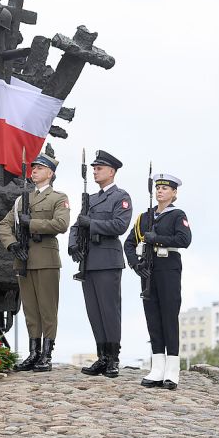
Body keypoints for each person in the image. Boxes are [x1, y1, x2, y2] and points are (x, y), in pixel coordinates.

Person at [0, 153, 70, 372]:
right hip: (24, 259)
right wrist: (11, 245)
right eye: (33, 167)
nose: (34, 171)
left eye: (39, 168)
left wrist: (32, 223)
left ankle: (46, 354)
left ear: (50, 173)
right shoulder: (21, 199)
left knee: (47, 308)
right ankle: (33, 352)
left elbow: (61, 224)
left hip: (46, 258)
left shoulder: (58, 197)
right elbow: (4, 225)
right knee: (30, 309)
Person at [67, 150, 132, 378]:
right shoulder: (91, 200)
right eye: (94, 168)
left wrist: (91, 223)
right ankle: (102, 356)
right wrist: (73, 244)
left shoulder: (120, 197)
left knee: (109, 311)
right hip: (89, 261)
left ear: (111, 172)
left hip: (108, 260)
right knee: (94, 311)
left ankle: (113, 358)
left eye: (99, 168)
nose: (95, 171)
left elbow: (119, 226)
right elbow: (76, 225)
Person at [124, 173, 192, 390]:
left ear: (174, 193)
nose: (160, 191)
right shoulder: (145, 217)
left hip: (168, 267)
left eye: (165, 188)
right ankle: (157, 368)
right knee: (152, 317)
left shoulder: (177, 215)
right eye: (158, 188)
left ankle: (172, 370)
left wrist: (158, 238)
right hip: (149, 271)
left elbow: (184, 240)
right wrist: (136, 264)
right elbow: (129, 243)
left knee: (168, 317)